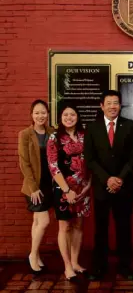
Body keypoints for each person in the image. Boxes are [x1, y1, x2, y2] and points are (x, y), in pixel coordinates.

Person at [84, 90, 133, 280]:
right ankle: (99, 266)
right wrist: (107, 179)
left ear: (120, 105)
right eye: (109, 103)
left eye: (116, 103)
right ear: (102, 106)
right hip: (101, 187)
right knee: (101, 229)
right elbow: (90, 159)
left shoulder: (130, 126)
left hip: (124, 187)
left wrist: (120, 178)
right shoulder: (92, 127)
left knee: (124, 228)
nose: (112, 106)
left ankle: (125, 266)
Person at [47, 104, 91, 281]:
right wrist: (66, 190)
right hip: (62, 189)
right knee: (65, 227)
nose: (69, 118)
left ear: (78, 117)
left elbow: (91, 162)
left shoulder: (85, 136)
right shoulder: (55, 138)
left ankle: (75, 262)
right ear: (61, 117)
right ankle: (66, 266)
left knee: (79, 226)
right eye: (66, 115)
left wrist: (88, 186)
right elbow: (53, 166)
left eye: (72, 114)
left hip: (83, 189)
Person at [18, 99, 54, 274]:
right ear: (31, 115)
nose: (41, 116)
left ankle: (36, 254)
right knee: (44, 220)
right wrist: (33, 188)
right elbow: (24, 163)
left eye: (43, 112)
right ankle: (32, 255)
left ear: (48, 114)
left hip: (49, 184)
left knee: (37, 222)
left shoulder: (52, 132)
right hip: (34, 186)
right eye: (37, 112)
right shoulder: (25, 134)